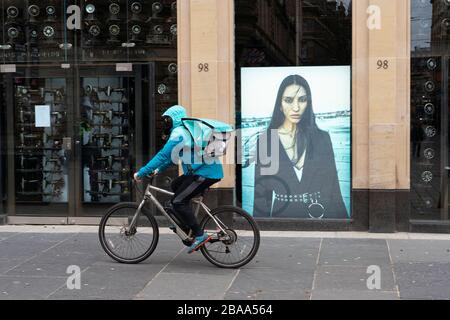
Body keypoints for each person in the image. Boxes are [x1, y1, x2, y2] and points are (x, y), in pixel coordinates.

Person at [252, 75, 348, 219]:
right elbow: (261, 196)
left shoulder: (322, 138)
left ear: (308, 103)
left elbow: (334, 190)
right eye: (288, 100)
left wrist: (342, 227)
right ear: (280, 104)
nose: (296, 107)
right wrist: (261, 231)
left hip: (321, 216)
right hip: (282, 218)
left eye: (302, 100)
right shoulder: (267, 141)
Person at [134, 105, 223, 253]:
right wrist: (157, 170)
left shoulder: (179, 133)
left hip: (205, 173)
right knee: (176, 186)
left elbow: (163, 155)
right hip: (201, 172)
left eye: (167, 119)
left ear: (174, 119)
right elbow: (172, 158)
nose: (165, 123)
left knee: (178, 201)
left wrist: (142, 172)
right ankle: (186, 226)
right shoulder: (185, 131)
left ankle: (199, 235)